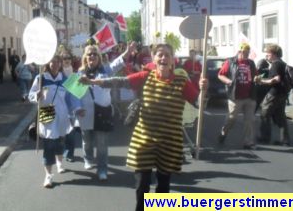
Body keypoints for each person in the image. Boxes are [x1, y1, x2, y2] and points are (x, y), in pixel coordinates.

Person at [80, 44, 207, 211]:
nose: (163, 58)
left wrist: (204, 91)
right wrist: (92, 81)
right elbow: (119, 82)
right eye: (160, 55)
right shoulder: (146, 76)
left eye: (167, 55)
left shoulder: (181, 81)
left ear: (172, 60)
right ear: (154, 59)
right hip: (144, 139)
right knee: (142, 185)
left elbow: (199, 103)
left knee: (163, 187)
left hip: (169, 140)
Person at [76, 42, 137, 181]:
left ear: (99, 57)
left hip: (102, 110)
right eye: (89, 54)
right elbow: (76, 94)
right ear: (85, 57)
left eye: (95, 54)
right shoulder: (80, 73)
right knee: (87, 139)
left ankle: (102, 169)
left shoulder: (105, 71)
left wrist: (127, 52)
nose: (92, 56)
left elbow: (117, 63)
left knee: (102, 143)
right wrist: (77, 108)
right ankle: (88, 158)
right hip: (86, 112)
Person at [28, 55, 82, 188]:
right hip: (47, 115)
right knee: (49, 145)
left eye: (58, 62)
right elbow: (30, 95)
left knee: (60, 142)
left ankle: (59, 162)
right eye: (52, 61)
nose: (55, 64)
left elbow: (71, 99)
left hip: (62, 117)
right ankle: (48, 175)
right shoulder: (40, 79)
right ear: (48, 63)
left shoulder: (65, 79)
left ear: (61, 64)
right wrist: (36, 95)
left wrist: (77, 109)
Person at [217, 43, 257, 149]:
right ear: (239, 51)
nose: (247, 55)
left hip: (249, 96)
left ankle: (248, 142)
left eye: (248, 53)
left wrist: (257, 79)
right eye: (245, 52)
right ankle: (224, 132)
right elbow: (220, 75)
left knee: (249, 120)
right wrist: (228, 81)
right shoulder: (230, 62)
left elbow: (255, 76)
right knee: (231, 119)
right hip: (235, 96)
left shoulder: (251, 63)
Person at [255, 44, 290, 146]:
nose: (267, 56)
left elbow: (276, 79)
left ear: (274, 54)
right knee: (280, 117)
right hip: (283, 94)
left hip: (274, 93)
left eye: (268, 54)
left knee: (264, 114)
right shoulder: (283, 63)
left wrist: (261, 81)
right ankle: (285, 140)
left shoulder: (276, 64)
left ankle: (264, 137)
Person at [60, 51, 79, 162]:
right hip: (59, 107)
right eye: (64, 58)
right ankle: (60, 151)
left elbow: (77, 91)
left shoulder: (75, 74)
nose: (66, 60)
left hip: (70, 108)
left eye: (68, 58)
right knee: (60, 133)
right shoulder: (57, 74)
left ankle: (69, 153)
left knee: (71, 132)